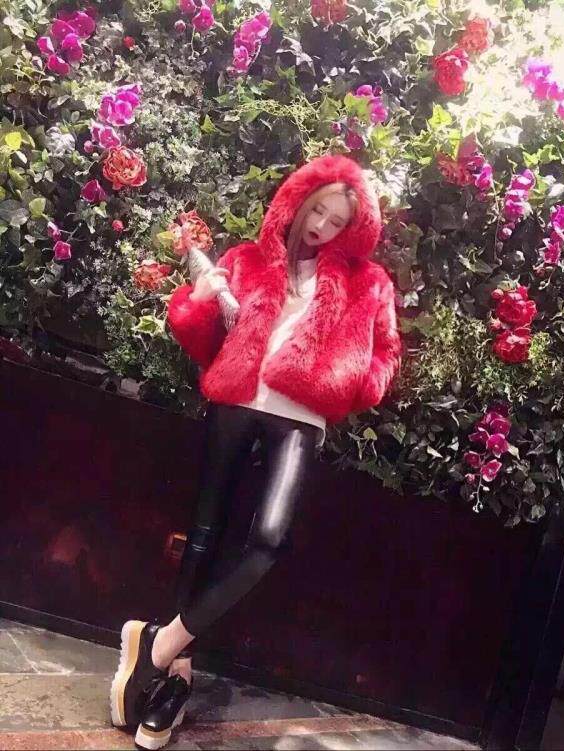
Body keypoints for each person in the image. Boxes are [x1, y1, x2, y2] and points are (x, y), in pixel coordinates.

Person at [109, 153, 402, 749]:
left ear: (355, 228)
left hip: (302, 415)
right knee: (205, 536)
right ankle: (173, 683)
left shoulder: (369, 281)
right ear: (298, 201)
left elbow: (385, 354)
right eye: (317, 210)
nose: (321, 226)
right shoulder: (248, 259)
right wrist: (197, 300)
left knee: (268, 541)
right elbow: (205, 340)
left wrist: (356, 385)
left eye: (337, 221)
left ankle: (158, 646)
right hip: (237, 401)